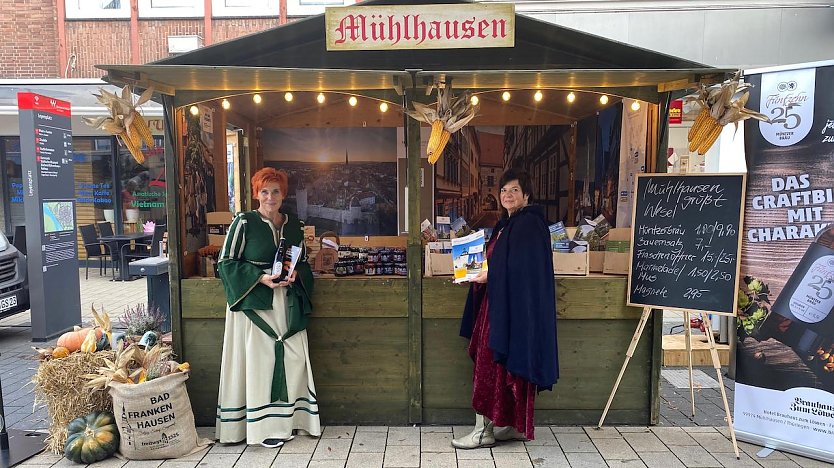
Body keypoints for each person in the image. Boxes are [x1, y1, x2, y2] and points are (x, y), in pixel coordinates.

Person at [452, 167, 559, 449]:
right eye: (503, 190)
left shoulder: (529, 224)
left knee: (490, 365)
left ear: (526, 194)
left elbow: (523, 269)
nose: (507, 195)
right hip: (500, 307)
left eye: (514, 190)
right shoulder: (506, 225)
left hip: (512, 313)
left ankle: (483, 432)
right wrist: (474, 274)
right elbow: (500, 263)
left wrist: (491, 274)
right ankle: (508, 425)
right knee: (497, 366)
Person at [215, 167, 320, 448]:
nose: (270, 197)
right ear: (256, 194)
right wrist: (261, 278)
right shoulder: (244, 222)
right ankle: (261, 428)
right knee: (260, 363)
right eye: (264, 191)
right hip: (255, 303)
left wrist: (297, 275)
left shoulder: (294, 225)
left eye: (275, 191)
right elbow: (225, 264)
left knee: (292, 358)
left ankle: (292, 420)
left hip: (287, 304)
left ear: (283, 194)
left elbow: (304, 263)